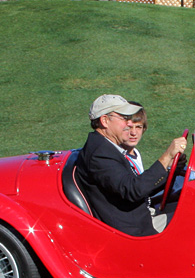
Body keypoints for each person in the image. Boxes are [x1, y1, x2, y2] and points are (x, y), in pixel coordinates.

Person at [75, 95, 188, 236]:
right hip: (136, 228)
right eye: (124, 118)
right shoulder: (100, 154)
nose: (129, 123)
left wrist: (171, 169)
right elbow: (133, 190)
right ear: (105, 121)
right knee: (194, 219)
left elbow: (138, 186)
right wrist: (166, 157)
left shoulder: (107, 146)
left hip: (142, 214)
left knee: (192, 207)